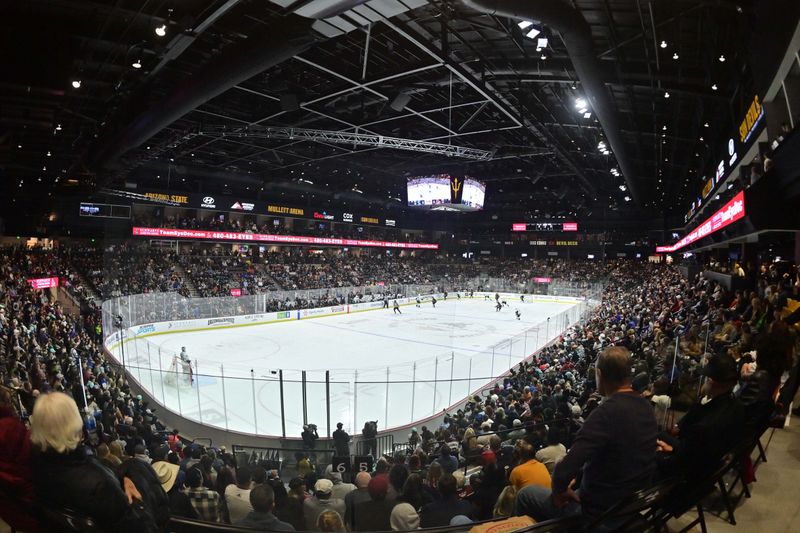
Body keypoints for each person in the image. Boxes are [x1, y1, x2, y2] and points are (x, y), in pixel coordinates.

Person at [515, 346, 657, 522]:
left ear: (599, 374)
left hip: (599, 511)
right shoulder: (646, 407)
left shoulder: (605, 413)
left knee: (526, 494)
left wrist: (559, 489)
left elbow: (563, 471)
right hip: (632, 504)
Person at [30, 392, 159, 532]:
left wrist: (122, 479)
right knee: (137, 468)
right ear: (75, 425)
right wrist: (138, 503)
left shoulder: (34, 464)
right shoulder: (100, 485)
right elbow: (140, 528)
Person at [657, 353, 745, 481]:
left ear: (711, 381)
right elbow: (694, 448)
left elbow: (676, 466)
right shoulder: (737, 407)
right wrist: (677, 448)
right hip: (709, 463)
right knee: (660, 434)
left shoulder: (704, 427)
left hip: (693, 477)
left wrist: (659, 452)